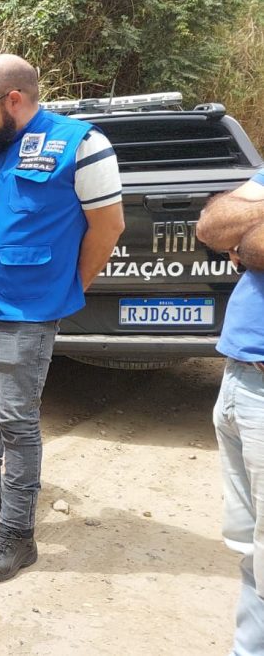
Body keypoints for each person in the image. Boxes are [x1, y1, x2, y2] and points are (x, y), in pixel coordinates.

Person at [0, 54, 125, 582]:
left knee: (16, 421)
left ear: (12, 100)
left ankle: (18, 534)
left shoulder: (80, 145)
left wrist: (66, 288)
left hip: (25, 312)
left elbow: (108, 227)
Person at [196, 170, 264, 654]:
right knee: (247, 545)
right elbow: (212, 227)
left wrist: (250, 235)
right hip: (240, 377)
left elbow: (254, 249)